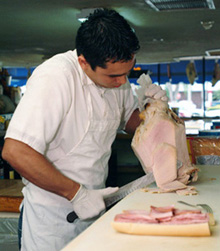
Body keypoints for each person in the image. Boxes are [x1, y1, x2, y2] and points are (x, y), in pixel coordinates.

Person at [2, 8, 167, 251]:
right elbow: (15, 150)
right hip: (52, 221)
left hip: (95, 208)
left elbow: (131, 121)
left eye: (127, 72)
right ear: (83, 62)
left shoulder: (117, 78)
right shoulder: (55, 77)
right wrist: (77, 194)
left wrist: (154, 111)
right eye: (114, 76)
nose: (122, 82)